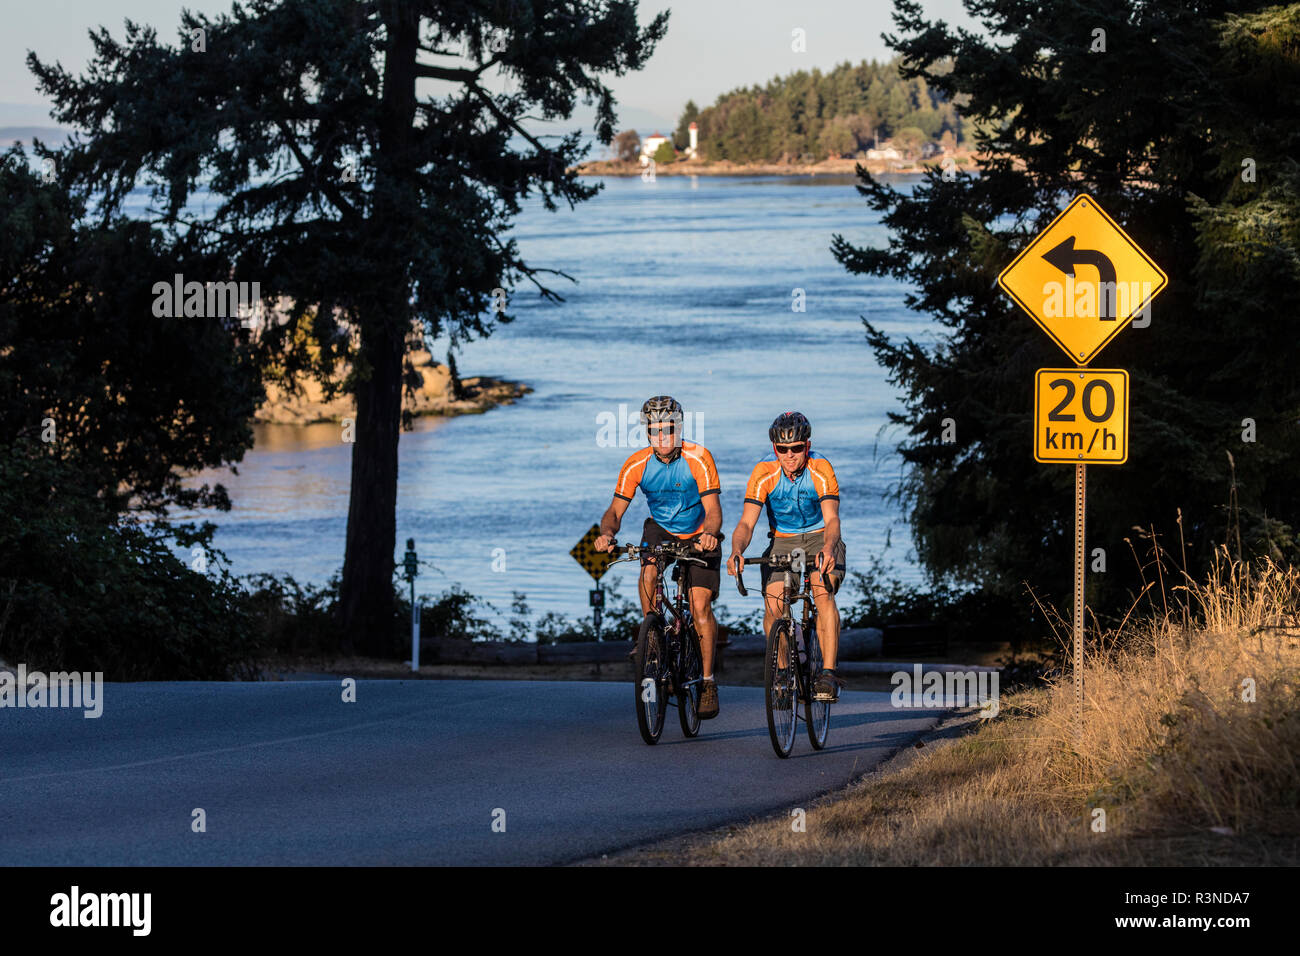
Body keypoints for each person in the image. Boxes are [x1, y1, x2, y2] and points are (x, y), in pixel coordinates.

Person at [593, 396, 724, 719]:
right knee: (648, 569)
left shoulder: (699, 457)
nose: (662, 437)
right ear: (648, 432)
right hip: (661, 529)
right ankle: (651, 635)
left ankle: (707, 681)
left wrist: (709, 533)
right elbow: (614, 511)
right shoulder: (637, 463)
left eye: (668, 430)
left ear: (679, 428)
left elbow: (714, 512)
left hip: (698, 533)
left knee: (699, 606)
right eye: (655, 431)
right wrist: (607, 534)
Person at [727, 411, 846, 701]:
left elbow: (832, 520)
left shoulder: (821, 467)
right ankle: (783, 673)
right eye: (783, 450)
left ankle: (828, 673)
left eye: (796, 448)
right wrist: (737, 551)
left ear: (807, 445)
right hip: (784, 542)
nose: (790, 455)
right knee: (774, 601)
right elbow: (746, 523)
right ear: (774, 449)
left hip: (820, 536)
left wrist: (829, 548)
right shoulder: (763, 472)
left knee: (822, 591)